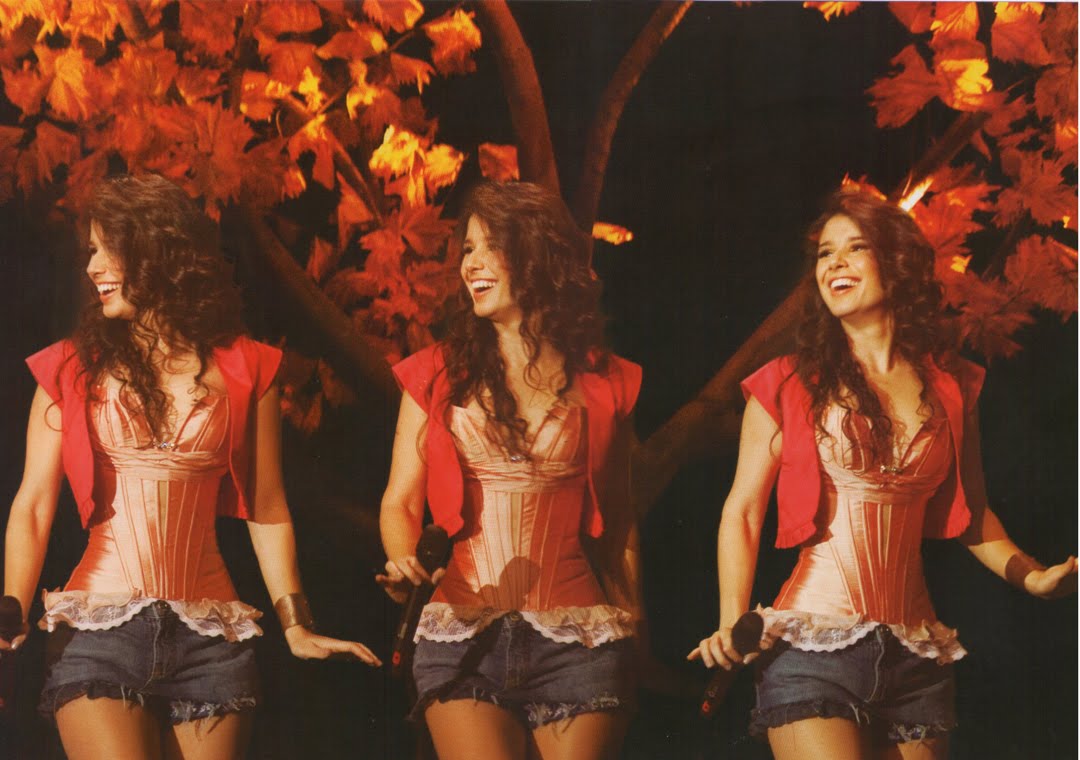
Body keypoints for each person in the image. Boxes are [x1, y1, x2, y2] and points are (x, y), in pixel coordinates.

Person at [0, 174, 380, 760]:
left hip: (210, 638)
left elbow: (267, 505)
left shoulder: (247, 369)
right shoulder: (72, 366)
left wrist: (296, 623)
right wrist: (12, 608)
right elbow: (32, 504)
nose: (92, 267)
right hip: (100, 629)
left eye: (106, 249)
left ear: (158, 251)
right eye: (90, 251)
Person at [689, 189, 1077, 760]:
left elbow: (971, 513)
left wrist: (1033, 577)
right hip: (813, 647)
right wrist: (731, 622)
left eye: (855, 247)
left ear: (897, 265)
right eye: (825, 253)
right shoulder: (788, 381)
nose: (834, 263)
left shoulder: (952, 386)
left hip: (916, 656)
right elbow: (743, 512)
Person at [377, 181, 642, 760]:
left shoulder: (605, 381)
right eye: (466, 249)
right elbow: (401, 501)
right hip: (462, 632)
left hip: (579, 637)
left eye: (488, 246)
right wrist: (403, 562)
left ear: (537, 253)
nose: (469, 264)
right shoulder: (435, 374)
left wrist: (635, 622)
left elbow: (620, 518)